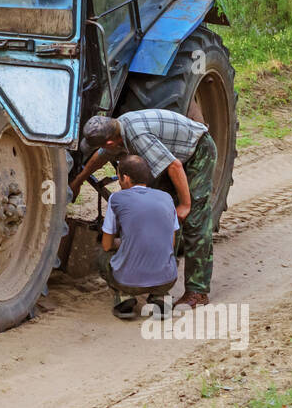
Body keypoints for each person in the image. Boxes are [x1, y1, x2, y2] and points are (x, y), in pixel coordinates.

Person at [71, 108, 216, 308]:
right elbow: (101, 156)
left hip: (196, 152)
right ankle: (158, 283)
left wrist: (185, 204)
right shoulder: (116, 129)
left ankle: (198, 291)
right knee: (160, 214)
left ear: (111, 140)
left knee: (194, 220)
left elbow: (174, 166)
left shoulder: (138, 136)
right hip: (174, 158)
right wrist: (79, 180)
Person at [100, 154, 180, 320]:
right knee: (167, 254)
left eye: (119, 177)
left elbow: (107, 245)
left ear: (126, 178)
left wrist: (122, 243)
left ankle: (124, 297)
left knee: (102, 255)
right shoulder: (166, 198)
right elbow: (170, 243)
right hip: (168, 278)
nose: (120, 182)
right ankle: (160, 297)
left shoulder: (116, 199)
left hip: (128, 281)